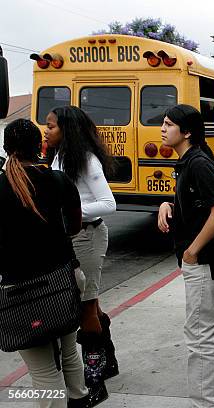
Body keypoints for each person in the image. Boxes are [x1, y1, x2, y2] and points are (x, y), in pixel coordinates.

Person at [157, 104, 214, 408]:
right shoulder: (193, 161)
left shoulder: (197, 163)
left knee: (199, 333)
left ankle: (205, 402)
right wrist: (167, 204)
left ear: (187, 132)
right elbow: (196, 200)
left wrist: (192, 251)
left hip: (204, 260)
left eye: (169, 124)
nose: (163, 129)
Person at [0, 119, 92, 407]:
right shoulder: (58, 180)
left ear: (6, 148)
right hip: (62, 281)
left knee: (42, 370)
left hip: (19, 291)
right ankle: (80, 399)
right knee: (69, 352)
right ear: (39, 147)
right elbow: (75, 226)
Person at [44, 106, 117, 405]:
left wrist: (70, 212)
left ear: (67, 129)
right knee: (89, 301)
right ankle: (108, 358)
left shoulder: (86, 160)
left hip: (88, 237)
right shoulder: (59, 156)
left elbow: (108, 203)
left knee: (86, 306)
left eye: (51, 126)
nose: (46, 130)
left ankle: (95, 377)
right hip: (70, 238)